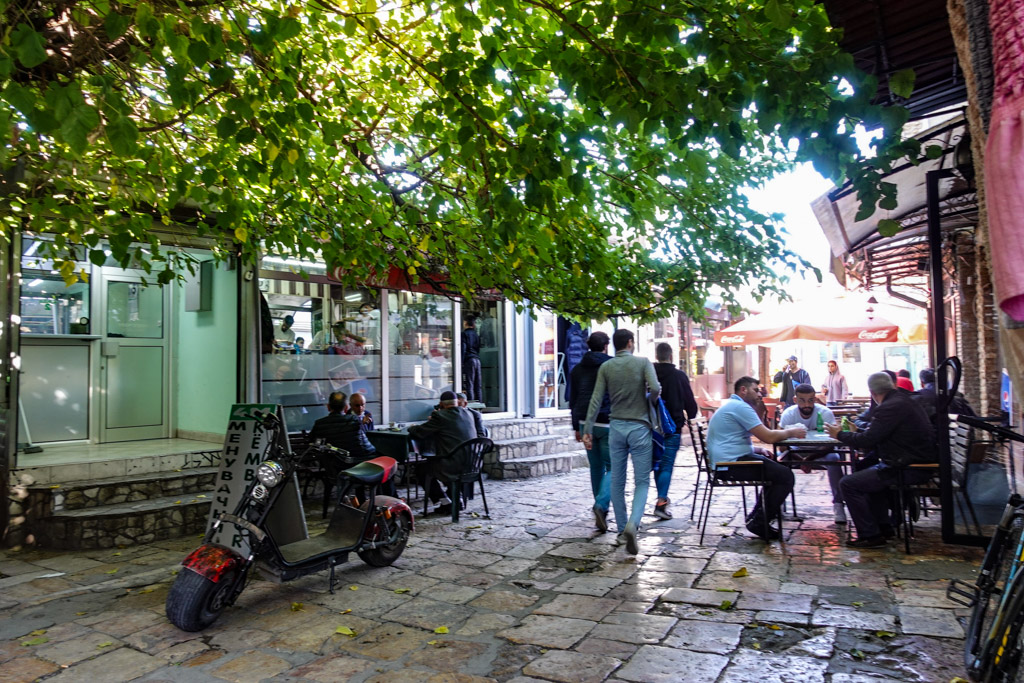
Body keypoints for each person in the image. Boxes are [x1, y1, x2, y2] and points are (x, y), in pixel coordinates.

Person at [826, 372, 936, 548]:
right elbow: (878, 434)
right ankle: (883, 527)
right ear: (891, 386)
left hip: (908, 468)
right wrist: (858, 432)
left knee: (848, 484)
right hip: (911, 462)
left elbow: (868, 441)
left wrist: (839, 434)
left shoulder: (889, 407)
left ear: (872, 392)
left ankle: (870, 535)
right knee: (866, 475)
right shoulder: (903, 401)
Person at [582, 329, 660, 554]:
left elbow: (596, 399)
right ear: (630, 342)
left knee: (617, 479)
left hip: (616, 427)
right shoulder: (643, 363)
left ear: (614, 345)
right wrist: (650, 398)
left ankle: (620, 530)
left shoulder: (606, 367)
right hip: (639, 427)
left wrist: (587, 429)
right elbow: (655, 388)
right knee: (642, 481)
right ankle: (633, 525)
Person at [706, 376, 806, 541]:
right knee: (785, 476)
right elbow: (768, 437)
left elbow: (733, 439)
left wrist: (757, 450)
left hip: (729, 461)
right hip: (728, 466)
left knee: (777, 472)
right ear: (743, 390)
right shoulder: (740, 407)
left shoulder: (734, 405)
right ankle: (759, 521)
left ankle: (757, 519)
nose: (760, 394)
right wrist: (791, 432)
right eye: (756, 390)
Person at [409, 390, 487, 515]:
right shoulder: (470, 414)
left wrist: (411, 427)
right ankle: (457, 499)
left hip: (453, 466)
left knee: (421, 470)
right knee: (444, 460)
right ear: (457, 402)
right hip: (473, 465)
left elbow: (420, 432)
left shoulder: (440, 416)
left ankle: (445, 501)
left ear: (441, 404)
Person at [778, 384, 846, 524]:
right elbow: (782, 445)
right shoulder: (788, 414)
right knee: (778, 462)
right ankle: (778, 504)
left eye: (810, 400)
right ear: (795, 400)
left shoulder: (825, 413)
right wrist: (801, 460)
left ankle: (839, 504)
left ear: (815, 399)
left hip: (820, 451)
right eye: (802, 400)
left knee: (835, 459)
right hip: (795, 451)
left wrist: (809, 459)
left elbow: (831, 443)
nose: (807, 405)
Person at [569, 331, 613, 532]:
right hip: (607, 421)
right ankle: (601, 505)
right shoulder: (611, 366)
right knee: (613, 467)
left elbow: (573, 400)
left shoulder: (578, 369)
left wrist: (575, 426)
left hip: (585, 423)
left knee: (595, 466)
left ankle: (599, 507)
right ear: (606, 346)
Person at [652, 342, 698, 521]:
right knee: (667, 464)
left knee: (658, 463)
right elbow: (690, 402)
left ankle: (661, 498)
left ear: (657, 356)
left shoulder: (650, 374)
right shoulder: (679, 376)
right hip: (673, 426)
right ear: (671, 356)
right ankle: (661, 501)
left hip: (652, 428)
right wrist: (691, 415)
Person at [308, 392, 377, 460]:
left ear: (328, 407)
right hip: (355, 463)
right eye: (357, 405)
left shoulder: (319, 424)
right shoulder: (355, 421)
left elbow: (312, 444)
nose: (360, 408)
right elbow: (368, 449)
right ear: (346, 407)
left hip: (330, 464)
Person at [462, 316, 482, 402]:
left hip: (469, 360)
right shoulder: (476, 334)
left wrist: (461, 361)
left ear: (465, 323)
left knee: (469, 384)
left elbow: (463, 348)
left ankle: (471, 405)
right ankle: (479, 404)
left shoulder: (464, 334)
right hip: (477, 359)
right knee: (478, 385)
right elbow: (478, 348)